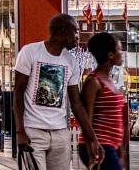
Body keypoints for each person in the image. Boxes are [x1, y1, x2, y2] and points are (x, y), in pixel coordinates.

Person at [13, 14, 104, 170]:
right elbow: (18, 92)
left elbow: (76, 103)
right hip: (33, 131)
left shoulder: (71, 61)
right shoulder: (30, 52)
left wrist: (93, 138)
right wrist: (20, 131)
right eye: (75, 31)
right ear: (63, 31)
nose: (77, 37)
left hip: (60, 133)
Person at [78, 32, 128, 170]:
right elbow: (86, 119)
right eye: (119, 49)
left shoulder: (109, 80)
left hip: (112, 146)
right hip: (100, 147)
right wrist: (91, 148)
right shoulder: (94, 81)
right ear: (110, 55)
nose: (122, 53)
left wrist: (122, 152)